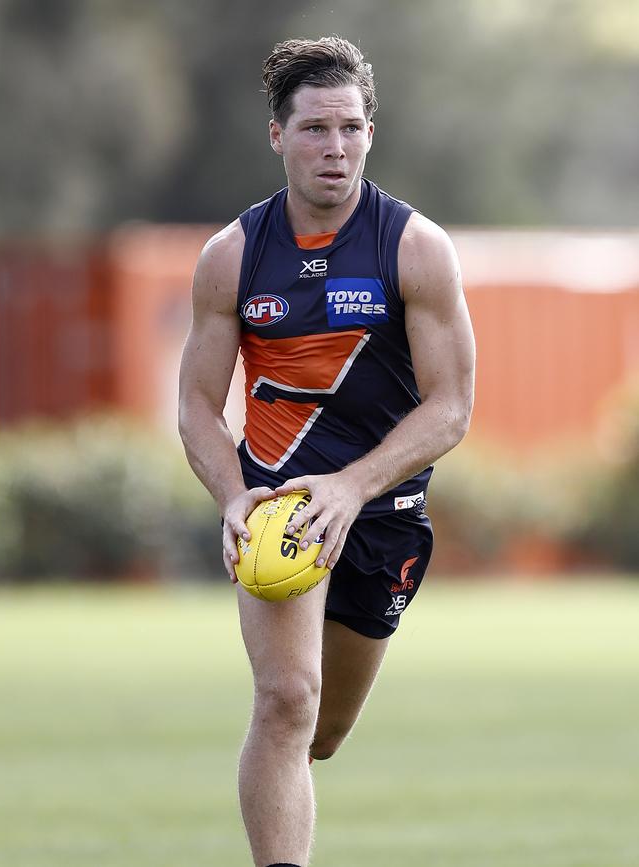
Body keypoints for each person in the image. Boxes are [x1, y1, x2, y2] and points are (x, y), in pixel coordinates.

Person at [179, 35, 475, 867]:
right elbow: (199, 406)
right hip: (279, 507)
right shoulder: (232, 257)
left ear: (371, 133)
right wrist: (235, 497)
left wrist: (350, 487)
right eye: (314, 128)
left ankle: (286, 781)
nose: (333, 147)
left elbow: (452, 406)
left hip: (383, 509)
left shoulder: (415, 249)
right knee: (284, 700)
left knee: (323, 732)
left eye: (349, 127)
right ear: (278, 135)